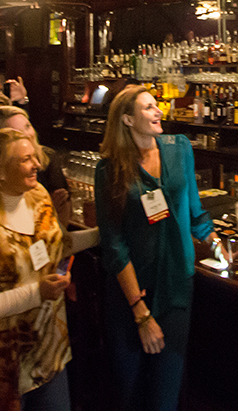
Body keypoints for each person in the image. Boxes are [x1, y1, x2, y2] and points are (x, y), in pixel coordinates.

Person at [0, 129, 99, 410]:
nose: (36, 163)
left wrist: (102, 234)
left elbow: (56, 246)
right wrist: (37, 293)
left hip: (47, 348)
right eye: (25, 159)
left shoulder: (38, 198)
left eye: (34, 155)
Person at [95, 85, 219, 411]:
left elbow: (194, 210)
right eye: (149, 108)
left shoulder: (179, 148)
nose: (159, 111)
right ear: (126, 119)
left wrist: (221, 247)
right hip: (132, 295)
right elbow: (114, 244)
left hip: (178, 285)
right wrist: (140, 311)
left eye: (156, 105)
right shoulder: (109, 170)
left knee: (166, 393)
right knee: (131, 394)